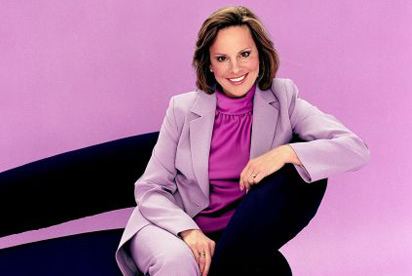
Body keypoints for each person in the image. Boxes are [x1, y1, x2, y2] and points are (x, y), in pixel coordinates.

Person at [115, 6, 370, 276]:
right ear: (209, 65)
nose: (235, 68)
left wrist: (284, 153)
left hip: (233, 242)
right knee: (180, 263)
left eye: (244, 54)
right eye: (222, 58)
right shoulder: (182, 109)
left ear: (260, 53)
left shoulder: (284, 99)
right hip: (170, 227)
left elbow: (355, 149)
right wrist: (189, 231)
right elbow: (150, 188)